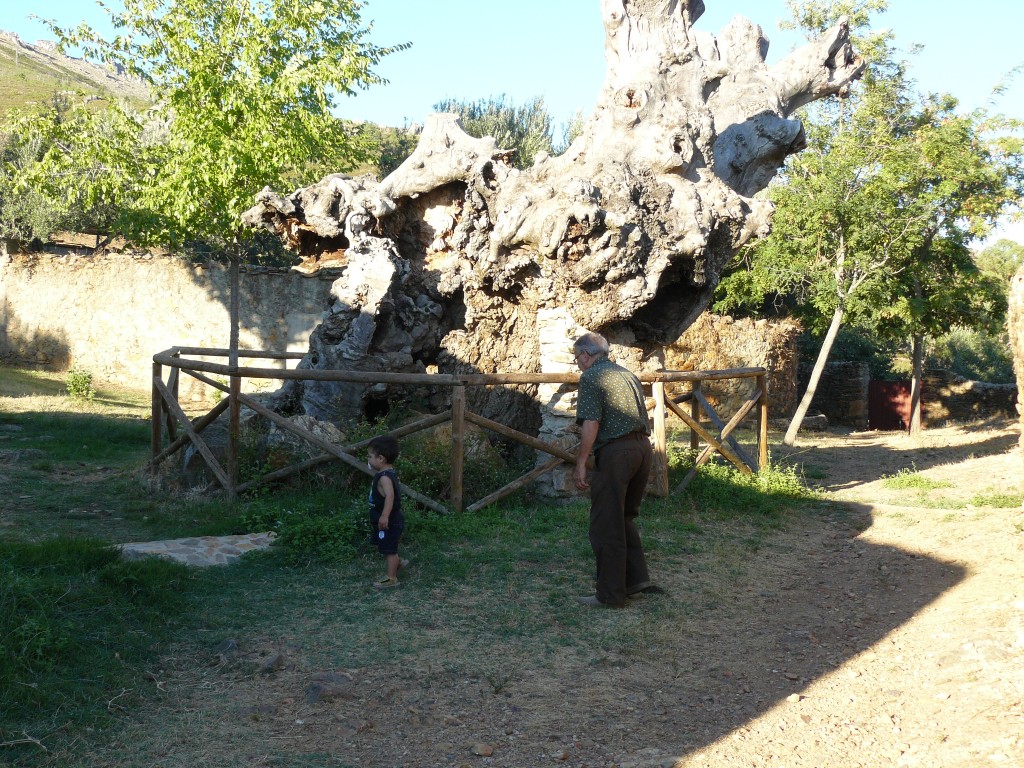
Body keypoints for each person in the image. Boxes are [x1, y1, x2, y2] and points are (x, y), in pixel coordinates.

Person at [572, 332, 654, 607]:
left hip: (618, 453)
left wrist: (581, 463)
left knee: (606, 523)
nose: (578, 364)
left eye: (577, 358)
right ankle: (635, 579)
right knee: (624, 517)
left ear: (586, 355)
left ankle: (610, 595)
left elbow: (591, 422)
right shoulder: (626, 374)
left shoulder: (591, 377)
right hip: (643, 449)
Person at [367, 434, 406, 588]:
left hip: (389, 520)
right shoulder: (389, 473)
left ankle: (391, 578)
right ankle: (397, 562)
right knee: (385, 545)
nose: (368, 460)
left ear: (381, 459)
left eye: (370, 456)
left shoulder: (384, 478)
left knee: (389, 549)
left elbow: (389, 496)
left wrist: (384, 516)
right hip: (388, 519)